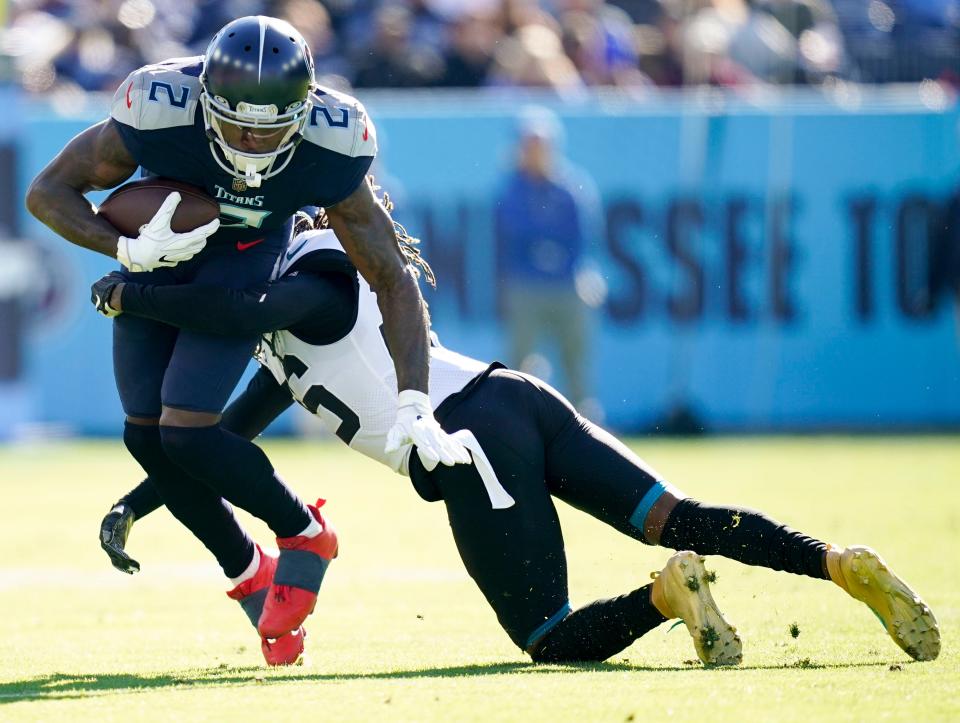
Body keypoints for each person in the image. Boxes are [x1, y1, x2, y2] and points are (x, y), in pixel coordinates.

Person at [91, 212, 940, 666]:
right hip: (516, 397)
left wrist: (135, 290)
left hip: (465, 444)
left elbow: (243, 311)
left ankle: (665, 598)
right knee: (674, 513)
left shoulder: (312, 276)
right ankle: (833, 560)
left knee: (545, 637)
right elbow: (214, 432)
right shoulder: (300, 317)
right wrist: (139, 502)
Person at [26, 16, 469, 664]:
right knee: (145, 435)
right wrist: (122, 244)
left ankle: (303, 529)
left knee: (186, 428)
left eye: (271, 125)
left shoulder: (332, 141)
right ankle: (247, 570)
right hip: (160, 256)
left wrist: (415, 400)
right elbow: (47, 192)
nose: (253, 140)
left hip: (242, 262)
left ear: (303, 113)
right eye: (237, 123)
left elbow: (392, 277)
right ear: (204, 102)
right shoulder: (159, 108)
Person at [494, 106, 601, 410]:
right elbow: (513, 236)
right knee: (517, 363)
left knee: (575, 361)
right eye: (529, 145)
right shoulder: (511, 190)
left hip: (568, 283)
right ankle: (511, 424)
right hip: (525, 284)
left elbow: (581, 238)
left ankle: (586, 426)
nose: (535, 152)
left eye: (541, 145)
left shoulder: (570, 189)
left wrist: (555, 256)